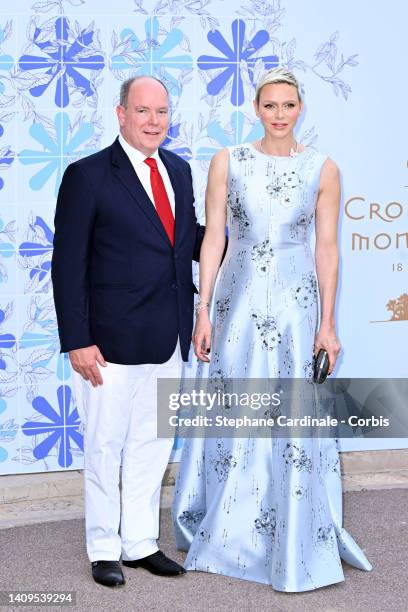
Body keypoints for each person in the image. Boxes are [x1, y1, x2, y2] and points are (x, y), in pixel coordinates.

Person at [172, 68, 373, 591]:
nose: (279, 114)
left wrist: (327, 323)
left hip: (295, 302)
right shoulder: (228, 161)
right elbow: (213, 237)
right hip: (236, 300)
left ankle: (294, 530)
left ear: (300, 108)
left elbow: (325, 249)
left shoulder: (322, 168)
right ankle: (230, 529)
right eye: (269, 106)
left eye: (288, 105)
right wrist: (204, 308)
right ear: (255, 109)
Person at [51, 76, 204, 588]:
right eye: (143, 111)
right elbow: (67, 264)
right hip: (107, 345)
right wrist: (77, 339)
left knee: (152, 445)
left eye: (161, 112)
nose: (153, 121)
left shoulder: (179, 171)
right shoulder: (87, 175)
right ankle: (103, 547)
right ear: (121, 114)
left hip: (167, 337)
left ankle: (140, 542)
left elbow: (184, 241)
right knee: (104, 447)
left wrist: (244, 233)